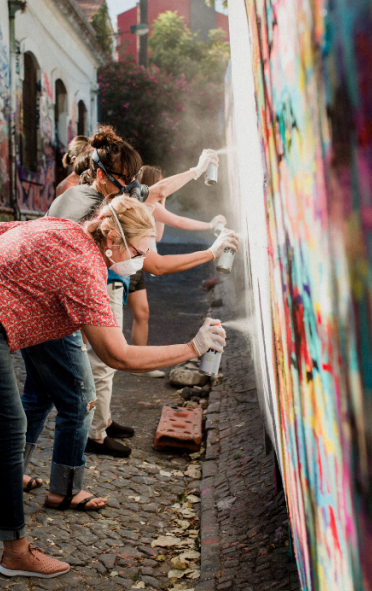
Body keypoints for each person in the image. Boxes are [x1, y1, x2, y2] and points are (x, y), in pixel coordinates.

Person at [0, 195, 227, 579]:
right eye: (139, 251)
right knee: (10, 433)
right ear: (111, 238)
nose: (141, 261)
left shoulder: (65, 227)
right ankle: (16, 552)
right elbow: (118, 355)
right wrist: (192, 347)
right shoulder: (87, 268)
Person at [43, 132, 237, 458]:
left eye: (136, 177)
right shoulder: (106, 211)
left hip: (89, 285)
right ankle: (91, 438)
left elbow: (158, 191)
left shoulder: (103, 194)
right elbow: (157, 265)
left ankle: (98, 425)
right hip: (86, 289)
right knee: (95, 373)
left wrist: (197, 170)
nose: (134, 185)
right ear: (102, 175)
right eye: (127, 178)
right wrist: (212, 253)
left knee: (65, 385)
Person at [127, 165, 226, 371]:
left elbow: (159, 235)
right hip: (133, 263)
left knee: (142, 312)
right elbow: (179, 221)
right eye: (162, 181)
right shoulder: (142, 201)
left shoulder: (151, 204)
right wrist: (209, 225)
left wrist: (161, 201)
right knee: (127, 313)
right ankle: (129, 361)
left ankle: (139, 364)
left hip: (139, 264)